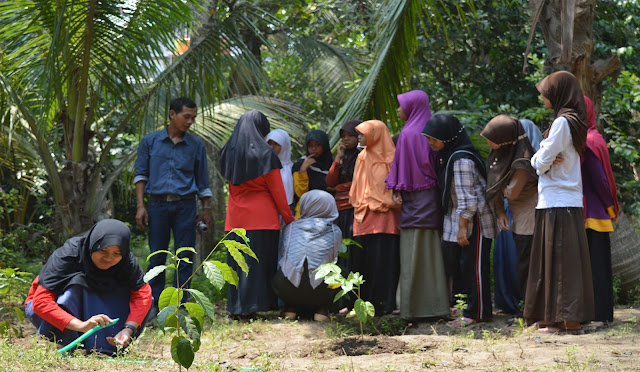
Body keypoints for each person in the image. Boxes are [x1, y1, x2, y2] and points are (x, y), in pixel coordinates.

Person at [525, 71, 594, 334]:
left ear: (558, 93)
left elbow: (540, 162)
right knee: (556, 261)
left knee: (561, 263)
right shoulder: (572, 121)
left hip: (558, 200)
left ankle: (568, 320)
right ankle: (553, 318)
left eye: (545, 92)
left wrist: (537, 159)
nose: (541, 96)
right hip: (560, 201)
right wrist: (543, 158)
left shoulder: (563, 123)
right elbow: (546, 159)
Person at [24, 219, 152, 354]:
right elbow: (41, 302)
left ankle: (107, 346)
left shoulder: (127, 262)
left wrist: (128, 328)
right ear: (93, 244)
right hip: (45, 309)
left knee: (143, 296)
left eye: (117, 253)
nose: (109, 258)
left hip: (93, 305)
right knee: (73, 289)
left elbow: (142, 295)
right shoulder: (67, 255)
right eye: (103, 251)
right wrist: (80, 325)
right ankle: (62, 342)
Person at [134, 97, 212, 314]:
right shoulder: (150, 142)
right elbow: (140, 175)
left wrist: (205, 209)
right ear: (172, 114)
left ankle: (181, 304)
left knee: (185, 256)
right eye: (186, 117)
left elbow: (202, 181)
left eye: (193, 118)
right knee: (157, 256)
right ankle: (153, 305)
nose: (190, 122)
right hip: (157, 206)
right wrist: (141, 206)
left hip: (186, 207)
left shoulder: (196, 145)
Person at [422, 113, 497, 326]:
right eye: (428, 139)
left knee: (474, 267)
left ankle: (477, 313)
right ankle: (470, 310)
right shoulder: (449, 155)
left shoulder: (462, 160)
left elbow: (468, 200)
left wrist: (463, 228)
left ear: (447, 137)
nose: (430, 143)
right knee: (464, 266)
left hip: (477, 221)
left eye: (434, 139)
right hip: (465, 219)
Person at [220, 110, 295, 319]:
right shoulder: (266, 153)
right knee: (256, 265)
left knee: (237, 263)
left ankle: (236, 308)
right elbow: (277, 190)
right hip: (262, 218)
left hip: (235, 218)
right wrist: (288, 217)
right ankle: (252, 307)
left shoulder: (229, 150)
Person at [385, 90, 449, 320]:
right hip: (431, 197)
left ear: (412, 107)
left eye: (401, 106)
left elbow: (400, 170)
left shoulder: (408, 133)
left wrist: (397, 191)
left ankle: (412, 307)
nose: (398, 110)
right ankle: (436, 305)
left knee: (412, 251)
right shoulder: (429, 130)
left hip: (412, 200)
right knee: (431, 251)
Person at [481, 115, 538, 315]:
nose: (487, 143)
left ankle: (530, 312)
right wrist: (499, 210)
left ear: (504, 138)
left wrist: (500, 188)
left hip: (528, 220)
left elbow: (510, 191)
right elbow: (496, 184)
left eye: (491, 139)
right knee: (520, 266)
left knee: (526, 267)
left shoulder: (522, 161)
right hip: (513, 216)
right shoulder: (501, 155)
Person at [349, 120, 401, 315]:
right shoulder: (362, 156)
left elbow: (395, 191)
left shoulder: (393, 157)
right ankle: (363, 305)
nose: (359, 138)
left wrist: (384, 201)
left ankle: (385, 305)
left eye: (363, 134)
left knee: (385, 261)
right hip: (363, 216)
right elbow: (357, 188)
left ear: (375, 135)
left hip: (386, 217)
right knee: (364, 261)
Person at [273, 190, 342, 321]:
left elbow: (284, 254)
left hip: (286, 288)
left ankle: (290, 308)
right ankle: (322, 310)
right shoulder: (334, 231)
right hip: (320, 291)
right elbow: (333, 258)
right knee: (339, 271)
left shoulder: (290, 227)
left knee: (288, 269)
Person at [582, 96, 619, 326]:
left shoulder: (587, 141)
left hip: (592, 213)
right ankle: (601, 314)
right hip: (594, 211)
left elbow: (600, 180)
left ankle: (600, 315)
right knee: (598, 266)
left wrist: (609, 206)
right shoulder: (592, 138)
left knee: (595, 267)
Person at [325, 120, 362, 312]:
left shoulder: (362, 156)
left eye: (350, 136)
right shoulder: (344, 157)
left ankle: (353, 299)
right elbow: (330, 181)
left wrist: (339, 188)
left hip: (355, 208)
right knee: (340, 254)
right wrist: (337, 158)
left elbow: (357, 183)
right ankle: (340, 301)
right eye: (344, 137)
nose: (346, 140)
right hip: (340, 209)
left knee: (353, 253)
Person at [292, 130, 333, 216]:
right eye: (311, 146)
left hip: (328, 211)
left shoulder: (334, 163)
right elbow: (300, 193)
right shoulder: (300, 164)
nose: (314, 149)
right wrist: (303, 170)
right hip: (306, 212)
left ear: (324, 145)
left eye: (318, 145)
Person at [266, 129, 295, 212]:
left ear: (284, 146)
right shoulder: (262, 167)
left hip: (288, 212)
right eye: (269, 143)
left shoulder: (292, 169)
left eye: (276, 144)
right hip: (267, 211)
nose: (271, 147)